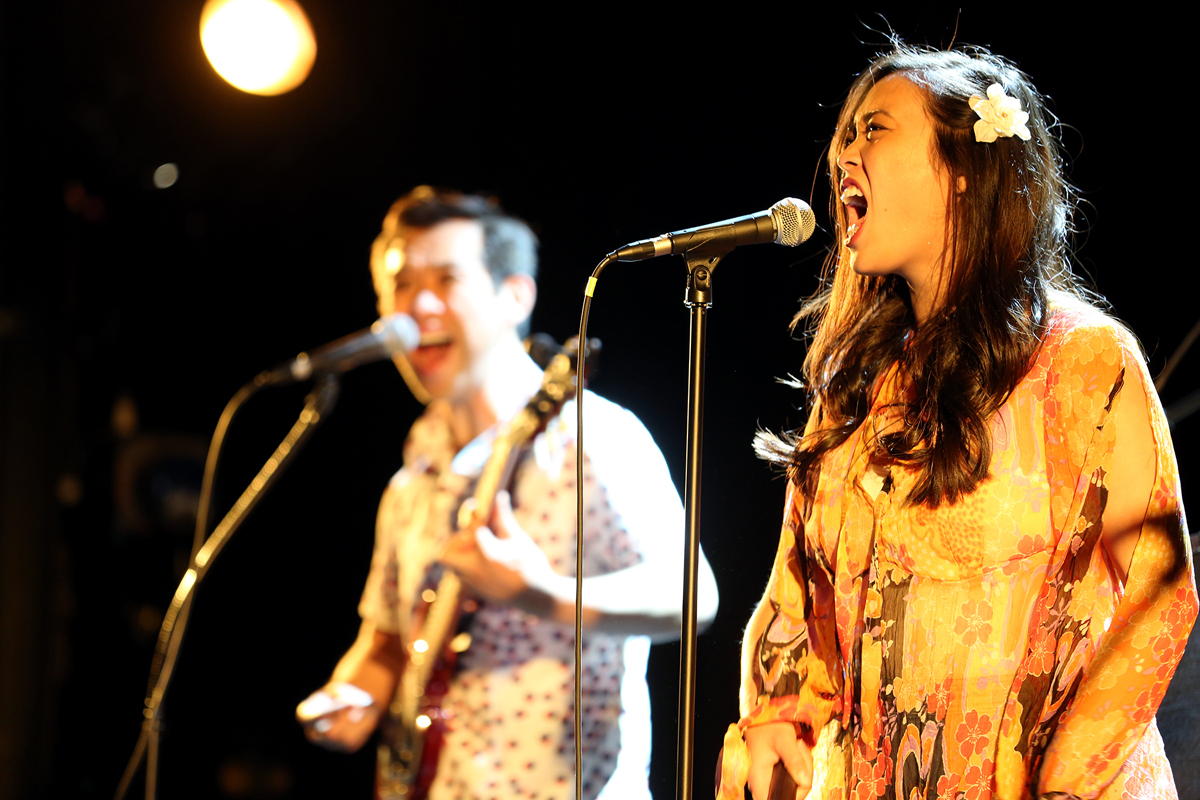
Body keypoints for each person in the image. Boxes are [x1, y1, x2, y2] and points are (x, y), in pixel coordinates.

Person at [715, 44, 1197, 800]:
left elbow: (1156, 592)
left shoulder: (1082, 360)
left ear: (964, 170)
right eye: (844, 134)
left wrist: (1063, 780)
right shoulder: (856, 382)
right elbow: (798, 588)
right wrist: (779, 712)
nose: (844, 153)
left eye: (875, 129)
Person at [297, 187, 719, 800]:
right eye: (401, 286)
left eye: (446, 279)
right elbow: (385, 642)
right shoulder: (411, 480)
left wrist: (543, 594)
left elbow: (693, 594)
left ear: (515, 295)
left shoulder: (590, 436)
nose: (418, 307)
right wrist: (352, 695)